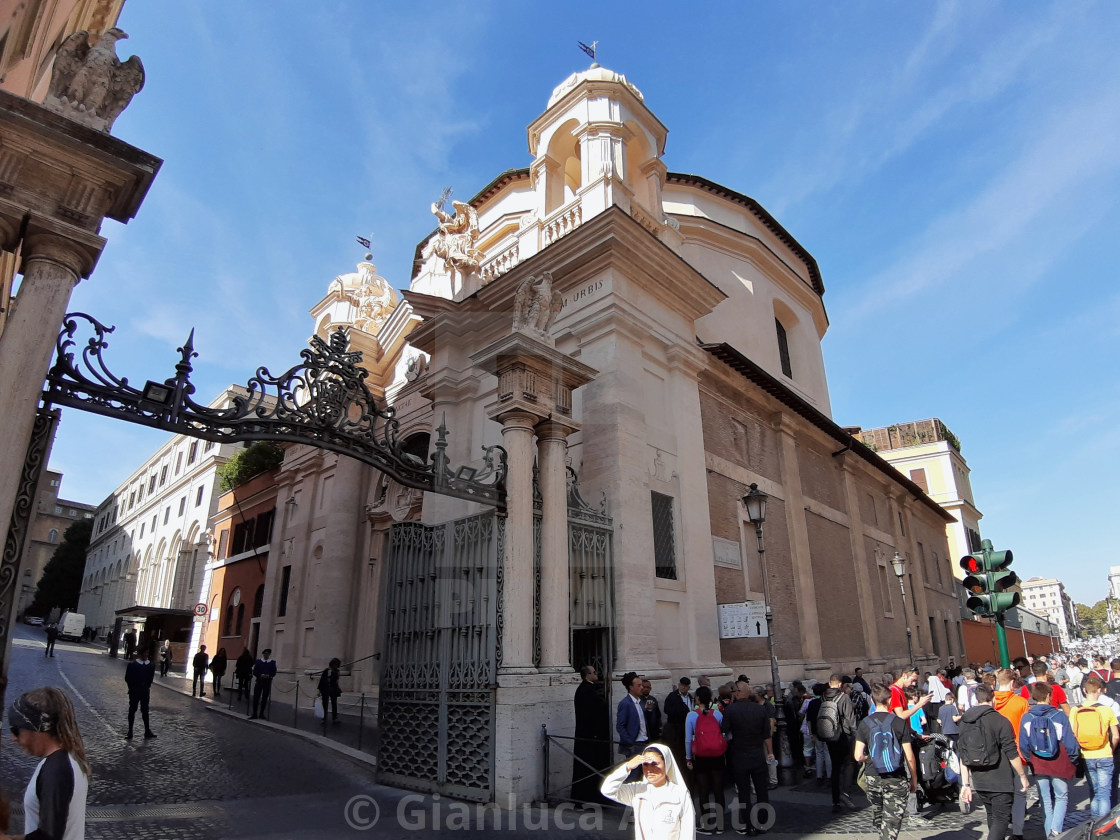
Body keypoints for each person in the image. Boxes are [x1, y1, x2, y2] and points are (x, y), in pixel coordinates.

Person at [6, 687, 90, 840]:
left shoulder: (56, 770)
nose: (13, 738)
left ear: (37, 728)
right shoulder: (68, 758)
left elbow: (48, 837)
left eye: (16, 730)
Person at [957, 684, 1031, 840]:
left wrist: (966, 784)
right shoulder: (1000, 720)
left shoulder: (964, 721)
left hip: (979, 779)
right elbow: (1012, 752)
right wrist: (1022, 776)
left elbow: (963, 755)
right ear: (993, 698)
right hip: (1000, 778)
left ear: (976, 700)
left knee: (992, 815)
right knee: (1001, 819)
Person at [853, 683, 916, 840]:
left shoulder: (864, 723)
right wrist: (914, 779)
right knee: (892, 820)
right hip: (896, 776)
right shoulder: (898, 722)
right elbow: (909, 756)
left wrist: (871, 758)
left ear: (873, 701)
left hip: (873, 776)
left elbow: (858, 756)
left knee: (880, 815)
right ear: (890, 700)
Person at [1019, 682, 1079, 837]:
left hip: (1038, 762)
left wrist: (1030, 759)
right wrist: (1073, 759)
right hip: (1058, 761)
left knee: (1045, 801)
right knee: (1061, 796)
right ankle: (1055, 830)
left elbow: (1023, 744)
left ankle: (1049, 834)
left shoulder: (1027, 717)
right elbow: (1070, 742)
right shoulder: (1058, 715)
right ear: (1048, 696)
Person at [601, 744, 695, 840]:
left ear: (667, 764)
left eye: (655, 764)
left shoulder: (680, 793)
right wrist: (627, 767)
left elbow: (688, 832)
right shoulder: (637, 790)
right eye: (645, 764)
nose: (649, 769)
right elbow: (607, 790)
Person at [721, 678, 773, 835]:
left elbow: (724, 730)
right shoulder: (760, 709)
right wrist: (770, 752)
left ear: (737, 693)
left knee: (744, 792)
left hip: (739, 755)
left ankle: (749, 825)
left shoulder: (731, 710)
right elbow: (766, 734)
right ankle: (763, 821)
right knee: (762, 790)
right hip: (757, 754)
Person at [1072, 674, 1120, 820]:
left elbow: (1073, 734)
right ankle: (1103, 825)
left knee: (1094, 790)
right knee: (1104, 792)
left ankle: (1093, 822)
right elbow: (1116, 735)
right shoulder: (1106, 710)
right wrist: (1111, 749)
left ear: (1085, 691)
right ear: (1099, 690)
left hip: (1086, 754)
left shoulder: (1075, 710)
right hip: (1104, 753)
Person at [993, 667, 1030, 840]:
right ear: (1013, 683)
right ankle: (1017, 831)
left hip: (995, 755)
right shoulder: (1021, 702)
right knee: (1020, 793)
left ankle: (1000, 826)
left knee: (1000, 794)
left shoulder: (990, 703)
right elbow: (1026, 730)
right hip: (1017, 753)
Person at [685, 685, 726, 834]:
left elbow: (688, 740)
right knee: (718, 789)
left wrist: (688, 758)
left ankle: (707, 824)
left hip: (701, 756)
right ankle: (721, 825)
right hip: (717, 755)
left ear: (697, 699)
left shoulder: (691, 715)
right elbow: (724, 733)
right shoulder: (717, 715)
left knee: (703, 790)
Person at [572, 664, 611, 804]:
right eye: (594, 672)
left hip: (590, 735)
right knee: (588, 767)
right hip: (590, 736)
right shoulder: (586, 690)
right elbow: (591, 714)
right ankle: (588, 798)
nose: (597, 674)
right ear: (587, 675)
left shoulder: (587, 689)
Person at [819, 674, 858, 812]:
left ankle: (835, 801)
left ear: (830, 683)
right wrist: (856, 736)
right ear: (840, 684)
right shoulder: (844, 697)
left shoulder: (823, 697)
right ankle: (845, 793)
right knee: (849, 763)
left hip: (829, 736)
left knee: (835, 767)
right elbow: (850, 719)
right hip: (843, 736)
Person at [124, 647, 157, 739]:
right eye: (145, 653)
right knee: (132, 710)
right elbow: (127, 678)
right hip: (134, 691)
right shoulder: (132, 665)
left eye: (147, 653)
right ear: (140, 654)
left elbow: (150, 678)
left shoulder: (151, 665)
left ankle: (147, 730)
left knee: (145, 710)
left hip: (145, 691)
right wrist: (132, 687)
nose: (146, 655)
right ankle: (130, 731)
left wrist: (146, 686)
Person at [617, 672, 649, 761]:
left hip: (644, 742)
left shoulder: (640, 702)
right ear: (631, 687)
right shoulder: (625, 703)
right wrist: (630, 743)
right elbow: (620, 726)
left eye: (641, 685)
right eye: (639, 686)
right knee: (634, 773)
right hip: (635, 744)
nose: (642, 688)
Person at [249, 648, 276, 720]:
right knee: (256, 698)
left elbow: (273, 672)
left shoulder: (272, 662)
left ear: (269, 654)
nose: (266, 655)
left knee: (264, 698)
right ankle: (254, 713)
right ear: (263, 654)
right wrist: (260, 675)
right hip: (259, 681)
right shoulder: (258, 661)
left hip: (267, 682)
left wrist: (269, 675)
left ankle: (261, 713)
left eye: (267, 653)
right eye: (265, 653)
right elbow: (255, 671)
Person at [317, 657, 342, 723]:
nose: (336, 666)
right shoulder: (327, 671)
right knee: (325, 703)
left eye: (337, 665)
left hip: (333, 689)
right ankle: (324, 718)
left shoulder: (337, 672)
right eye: (335, 664)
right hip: (326, 689)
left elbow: (336, 681)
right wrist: (319, 691)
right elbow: (322, 681)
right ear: (332, 664)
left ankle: (334, 718)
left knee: (334, 703)